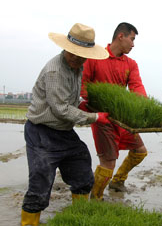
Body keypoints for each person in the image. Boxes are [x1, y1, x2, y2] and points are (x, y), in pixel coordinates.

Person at [21, 23, 109, 226]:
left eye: (82, 55)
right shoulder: (55, 71)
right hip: (41, 132)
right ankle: (28, 223)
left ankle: (77, 218)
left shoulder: (77, 67)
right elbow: (60, 109)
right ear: (66, 48)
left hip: (63, 132)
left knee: (82, 169)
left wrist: (83, 104)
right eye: (73, 54)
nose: (77, 58)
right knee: (41, 181)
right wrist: (95, 117)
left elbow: (70, 99)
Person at [80, 22, 148, 200]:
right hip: (102, 119)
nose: (133, 44)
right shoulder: (96, 58)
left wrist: (144, 107)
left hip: (121, 118)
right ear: (121, 36)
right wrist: (94, 106)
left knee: (140, 151)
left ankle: (117, 180)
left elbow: (137, 87)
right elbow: (83, 85)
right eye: (132, 39)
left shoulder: (130, 64)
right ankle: (96, 198)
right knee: (108, 161)